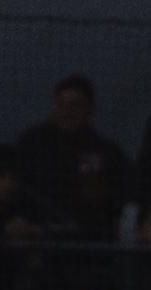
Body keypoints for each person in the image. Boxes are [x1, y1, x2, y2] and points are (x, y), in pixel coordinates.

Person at [16, 74, 128, 239]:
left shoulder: (103, 151)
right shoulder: (33, 144)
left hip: (87, 242)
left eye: (75, 105)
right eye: (61, 104)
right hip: (38, 239)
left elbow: (113, 198)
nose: (67, 112)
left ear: (89, 109)